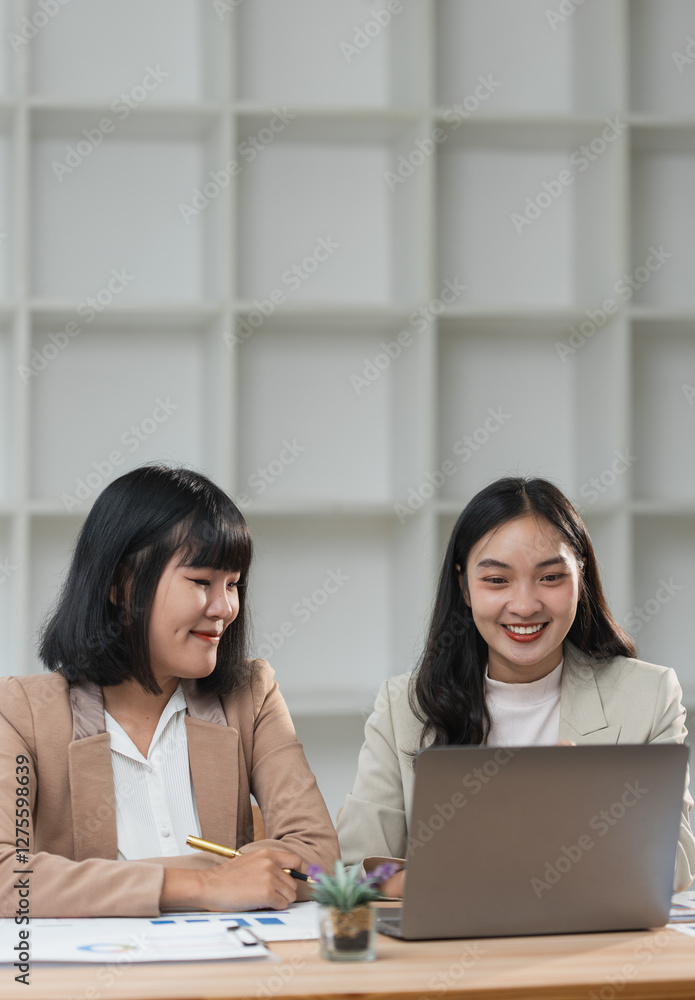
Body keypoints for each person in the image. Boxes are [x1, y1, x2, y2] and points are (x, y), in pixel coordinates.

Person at [0, 465, 338, 917]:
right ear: (121, 585)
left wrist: (90, 883)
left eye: (233, 584)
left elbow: (318, 856)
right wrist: (206, 884)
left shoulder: (251, 695)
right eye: (201, 582)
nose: (225, 608)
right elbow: (7, 877)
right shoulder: (21, 711)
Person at [337, 476, 695, 895]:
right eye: (496, 580)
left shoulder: (648, 696)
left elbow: (676, 869)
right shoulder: (404, 706)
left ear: (580, 576)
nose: (524, 606)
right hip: (453, 936)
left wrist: (584, 805)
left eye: (551, 577)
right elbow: (352, 872)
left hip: (590, 935)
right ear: (464, 586)